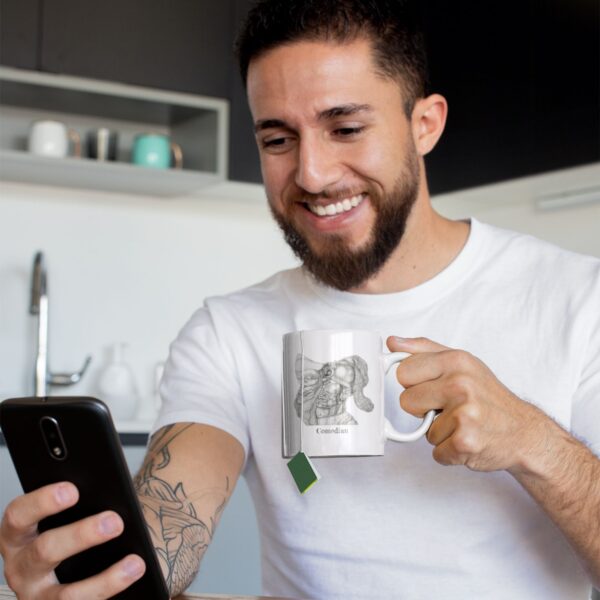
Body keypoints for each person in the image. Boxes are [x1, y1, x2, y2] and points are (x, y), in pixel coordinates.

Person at [1, 1, 599, 598]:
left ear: (426, 124)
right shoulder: (229, 332)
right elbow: (173, 507)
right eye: (279, 138)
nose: (311, 174)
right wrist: (110, 572)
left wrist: (535, 443)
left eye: (345, 128)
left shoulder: (578, 300)